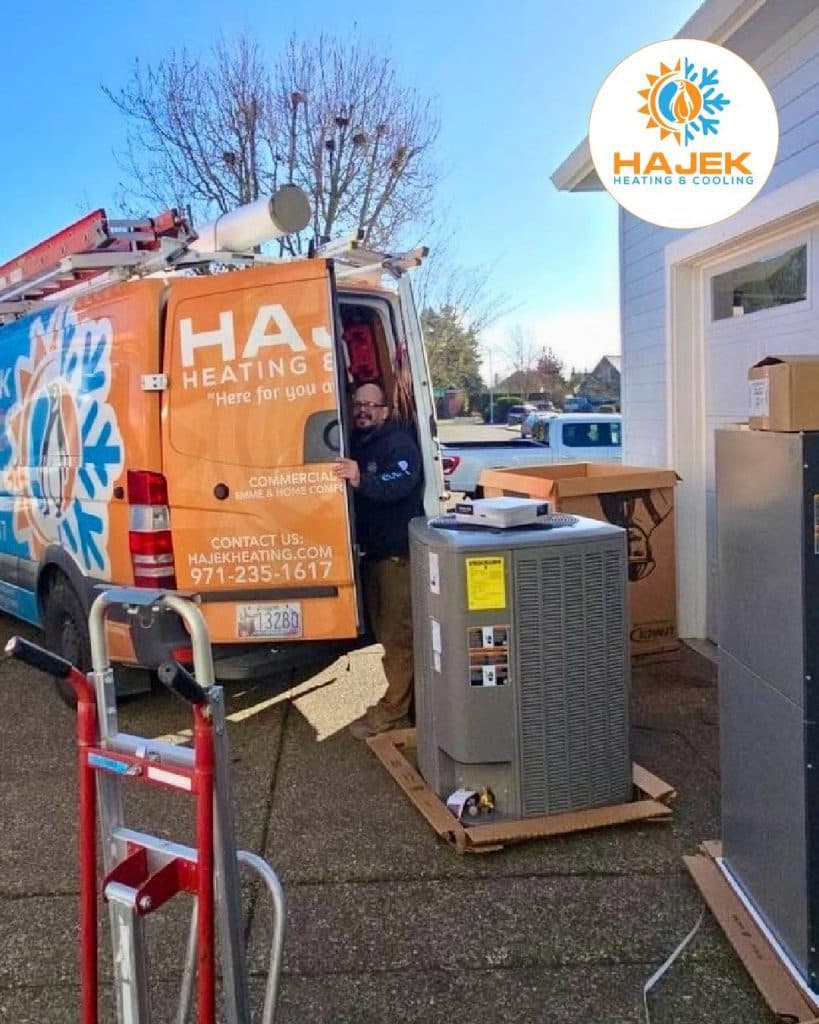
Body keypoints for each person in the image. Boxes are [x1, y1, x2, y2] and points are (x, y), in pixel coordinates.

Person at [334, 382, 425, 739]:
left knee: (398, 639)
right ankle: (404, 706)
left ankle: (393, 714)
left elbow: (399, 483)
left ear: (385, 410)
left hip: (397, 559)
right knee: (387, 638)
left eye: (371, 405)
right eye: (358, 404)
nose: (363, 410)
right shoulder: (359, 442)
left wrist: (361, 478)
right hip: (374, 558)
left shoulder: (398, 443)